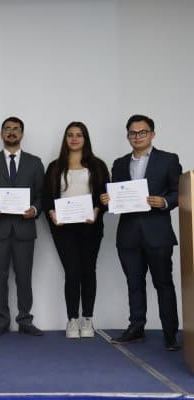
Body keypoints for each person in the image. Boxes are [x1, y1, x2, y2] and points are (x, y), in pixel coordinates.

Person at [100, 114, 181, 351]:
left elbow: (179, 192)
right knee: (134, 284)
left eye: (142, 132)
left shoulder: (168, 160)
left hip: (158, 233)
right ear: (127, 136)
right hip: (128, 234)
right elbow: (116, 198)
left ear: (152, 134)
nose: (137, 136)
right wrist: (107, 201)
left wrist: (164, 202)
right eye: (133, 133)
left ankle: (170, 334)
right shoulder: (119, 163)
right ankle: (136, 328)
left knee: (163, 284)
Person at [0, 116, 45, 336]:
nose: (11, 132)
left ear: (22, 134)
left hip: (24, 229)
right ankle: (2, 321)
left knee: (24, 277)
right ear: (1, 134)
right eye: (7, 128)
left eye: (16, 129)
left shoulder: (35, 162)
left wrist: (34, 209)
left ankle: (25, 320)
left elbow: (42, 194)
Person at [42, 122, 110, 339]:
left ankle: (87, 318)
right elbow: (46, 197)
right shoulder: (55, 166)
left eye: (79, 135)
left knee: (88, 271)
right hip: (63, 228)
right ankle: (72, 319)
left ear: (85, 139)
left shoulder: (98, 165)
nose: (74, 139)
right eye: (70, 135)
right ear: (65, 139)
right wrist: (52, 213)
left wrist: (97, 210)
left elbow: (105, 197)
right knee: (72, 272)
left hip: (90, 226)